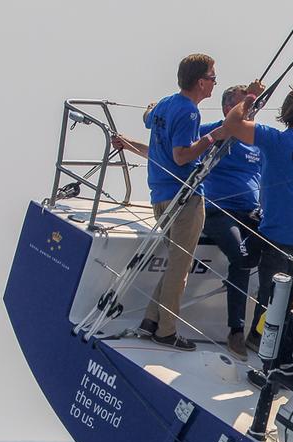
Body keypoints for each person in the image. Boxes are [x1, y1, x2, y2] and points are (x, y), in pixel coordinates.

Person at [131, 53, 225, 351]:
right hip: (182, 198)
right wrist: (212, 137)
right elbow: (181, 155)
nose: (214, 83)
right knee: (180, 269)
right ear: (200, 82)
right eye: (212, 77)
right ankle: (166, 331)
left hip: (159, 194)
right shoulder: (189, 112)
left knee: (175, 263)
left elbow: (149, 118)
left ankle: (150, 321)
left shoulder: (166, 103)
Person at [222, 90, 293, 351]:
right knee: (292, 301)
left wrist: (249, 99)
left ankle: (258, 340)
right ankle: (276, 346)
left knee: (269, 297)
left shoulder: (275, 140)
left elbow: (232, 125)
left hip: (279, 235)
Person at [200, 84, 262, 360]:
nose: (252, 111)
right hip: (219, 211)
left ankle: (260, 332)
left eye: (254, 107)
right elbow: (172, 147)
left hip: (252, 213)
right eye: (247, 106)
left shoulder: (257, 137)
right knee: (242, 257)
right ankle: (235, 330)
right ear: (229, 110)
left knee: (282, 257)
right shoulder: (213, 131)